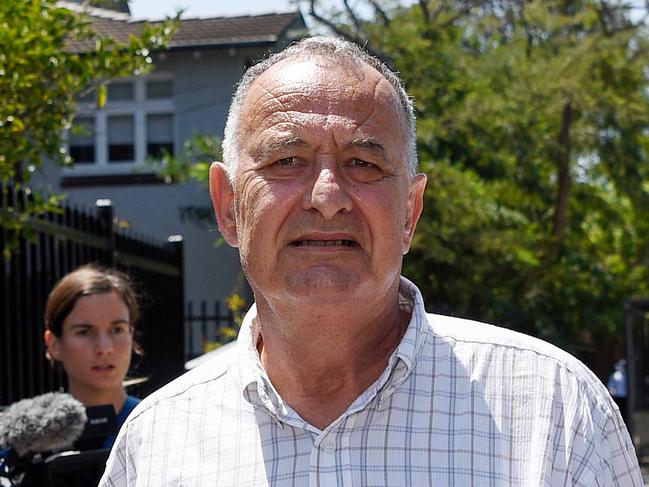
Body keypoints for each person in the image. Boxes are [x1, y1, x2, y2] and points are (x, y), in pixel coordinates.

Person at [100, 37, 642, 486]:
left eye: (363, 163)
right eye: (288, 160)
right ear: (228, 205)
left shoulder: (554, 413)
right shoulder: (154, 444)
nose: (327, 196)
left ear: (410, 211)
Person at [44, 264, 141, 450]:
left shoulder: (160, 425)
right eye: (84, 332)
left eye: (117, 330)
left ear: (131, 335)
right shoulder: (30, 443)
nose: (104, 348)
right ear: (54, 344)